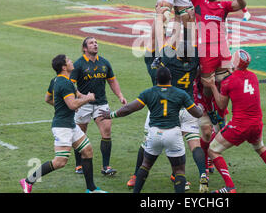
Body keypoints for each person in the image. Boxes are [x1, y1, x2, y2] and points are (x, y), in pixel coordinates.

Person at [127, 10, 209, 192]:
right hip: (187, 104)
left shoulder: (165, 63)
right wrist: (186, 19)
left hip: (162, 106)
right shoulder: (194, 59)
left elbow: (161, 39)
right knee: (191, 142)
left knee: (147, 144)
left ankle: (136, 177)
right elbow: (187, 42)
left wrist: (165, 17)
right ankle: (202, 173)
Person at [172, 0, 246, 117]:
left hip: (222, 47)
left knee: (226, 80)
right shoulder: (199, 1)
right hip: (206, 49)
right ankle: (210, 107)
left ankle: (223, 112)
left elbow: (241, 5)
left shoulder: (223, 5)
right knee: (207, 83)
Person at [100, 67, 204, 193]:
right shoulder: (180, 94)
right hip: (173, 134)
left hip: (155, 134)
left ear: (156, 79)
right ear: (171, 78)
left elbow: (129, 109)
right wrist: (201, 109)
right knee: (179, 171)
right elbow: (197, 113)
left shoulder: (148, 93)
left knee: (145, 165)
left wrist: (111, 115)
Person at [202, 49, 266, 193]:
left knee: (213, 150)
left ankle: (230, 186)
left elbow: (221, 105)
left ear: (235, 62)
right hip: (256, 123)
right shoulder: (254, 77)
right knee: (260, 147)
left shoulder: (228, 82)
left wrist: (213, 86)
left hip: (239, 125)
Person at [20, 54, 106, 193]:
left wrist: (82, 98)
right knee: (60, 162)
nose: (72, 61)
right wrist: (88, 98)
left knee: (87, 150)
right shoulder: (65, 83)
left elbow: (48, 98)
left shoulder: (58, 81)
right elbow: (72, 105)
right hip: (62, 127)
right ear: (64, 67)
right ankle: (28, 181)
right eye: (69, 61)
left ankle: (91, 189)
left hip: (70, 125)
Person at [70, 37, 127, 177]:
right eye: (91, 43)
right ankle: (79, 165)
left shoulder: (104, 63)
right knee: (80, 134)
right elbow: (70, 84)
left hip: (101, 103)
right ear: (84, 48)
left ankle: (106, 166)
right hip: (83, 104)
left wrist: (120, 95)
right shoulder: (78, 64)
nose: (95, 45)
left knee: (106, 131)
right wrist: (76, 100)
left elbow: (112, 81)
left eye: (96, 43)